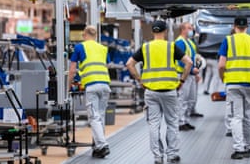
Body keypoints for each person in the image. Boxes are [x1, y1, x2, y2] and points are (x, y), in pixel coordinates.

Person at [126, 20, 193, 164]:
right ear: (166, 31)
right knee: (172, 123)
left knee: (154, 124)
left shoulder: (145, 47)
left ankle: (157, 157)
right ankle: (172, 155)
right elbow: (189, 62)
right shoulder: (171, 47)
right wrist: (182, 80)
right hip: (170, 91)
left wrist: (139, 80)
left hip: (151, 92)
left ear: (152, 32)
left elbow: (129, 64)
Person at [218, 16, 250, 160]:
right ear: (247, 27)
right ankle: (247, 144)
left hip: (233, 84)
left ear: (234, 26)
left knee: (236, 117)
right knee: (248, 115)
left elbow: (221, 65)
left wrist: (223, 78)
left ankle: (239, 148)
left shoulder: (228, 40)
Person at [68, 25, 111, 158]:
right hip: (105, 85)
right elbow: (107, 65)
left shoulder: (80, 47)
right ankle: (98, 148)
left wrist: (68, 86)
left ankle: (102, 145)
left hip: (92, 86)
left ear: (84, 35)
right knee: (100, 116)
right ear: (96, 36)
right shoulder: (103, 48)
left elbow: (72, 70)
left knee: (94, 117)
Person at [175, 22, 201, 131]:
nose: (192, 30)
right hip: (183, 75)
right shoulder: (180, 42)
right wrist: (191, 70)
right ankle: (180, 122)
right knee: (182, 99)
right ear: (183, 29)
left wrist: (196, 70)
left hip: (190, 74)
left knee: (189, 99)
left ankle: (185, 120)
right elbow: (181, 60)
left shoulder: (189, 42)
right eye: (189, 28)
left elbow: (192, 58)